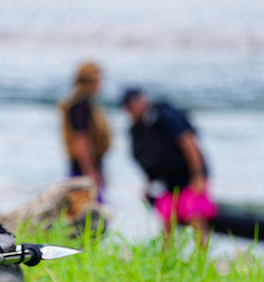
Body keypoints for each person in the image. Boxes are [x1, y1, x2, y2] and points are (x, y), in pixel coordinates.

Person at [121, 88, 217, 248]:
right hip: (167, 180)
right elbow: (151, 158)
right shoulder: (138, 128)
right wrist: (149, 184)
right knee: (167, 219)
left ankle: (202, 257)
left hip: (189, 175)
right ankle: (167, 259)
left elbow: (188, 143)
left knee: (195, 215)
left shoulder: (165, 116)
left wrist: (198, 175)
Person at [58, 61, 111, 196]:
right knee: (91, 210)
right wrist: (91, 174)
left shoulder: (83, 104)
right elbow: (81, 140)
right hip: (84, 168)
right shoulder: (79, 106)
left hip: (86, 166)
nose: (100, 84)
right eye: (98, 80)